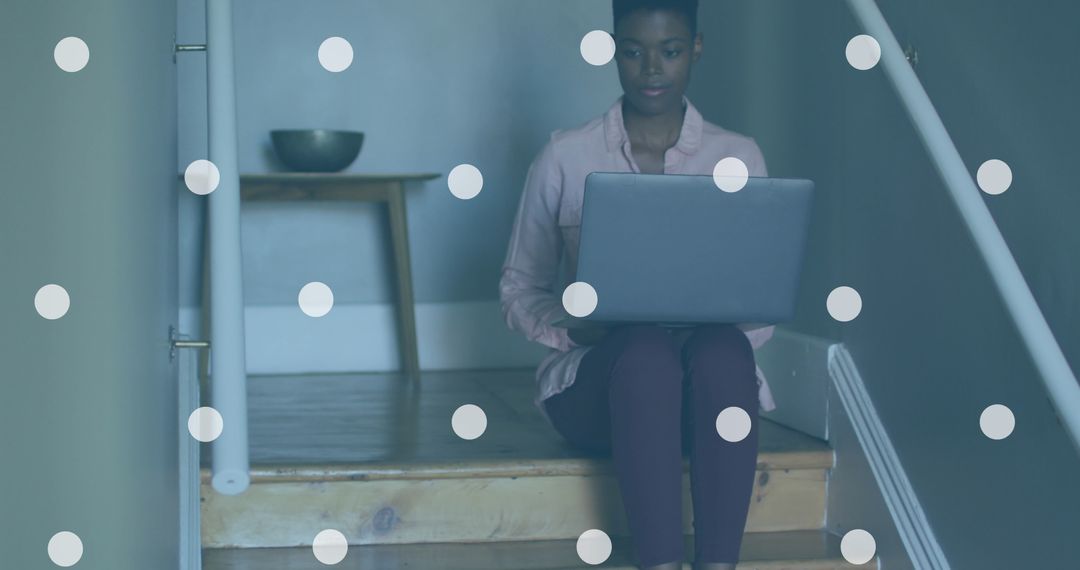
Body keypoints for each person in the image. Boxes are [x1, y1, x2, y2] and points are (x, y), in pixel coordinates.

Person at [499, 1, 778, 568]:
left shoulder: (739, 156)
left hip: (703, 396)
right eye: (633, 51)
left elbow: (761, 302)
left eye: (670, 51)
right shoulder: (564, 154)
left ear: (695, 49)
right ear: (612, 51)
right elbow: (518, 288)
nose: (652, 69)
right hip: (604, 391)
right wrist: (579, 329)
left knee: (723, 349)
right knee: (645, 348)